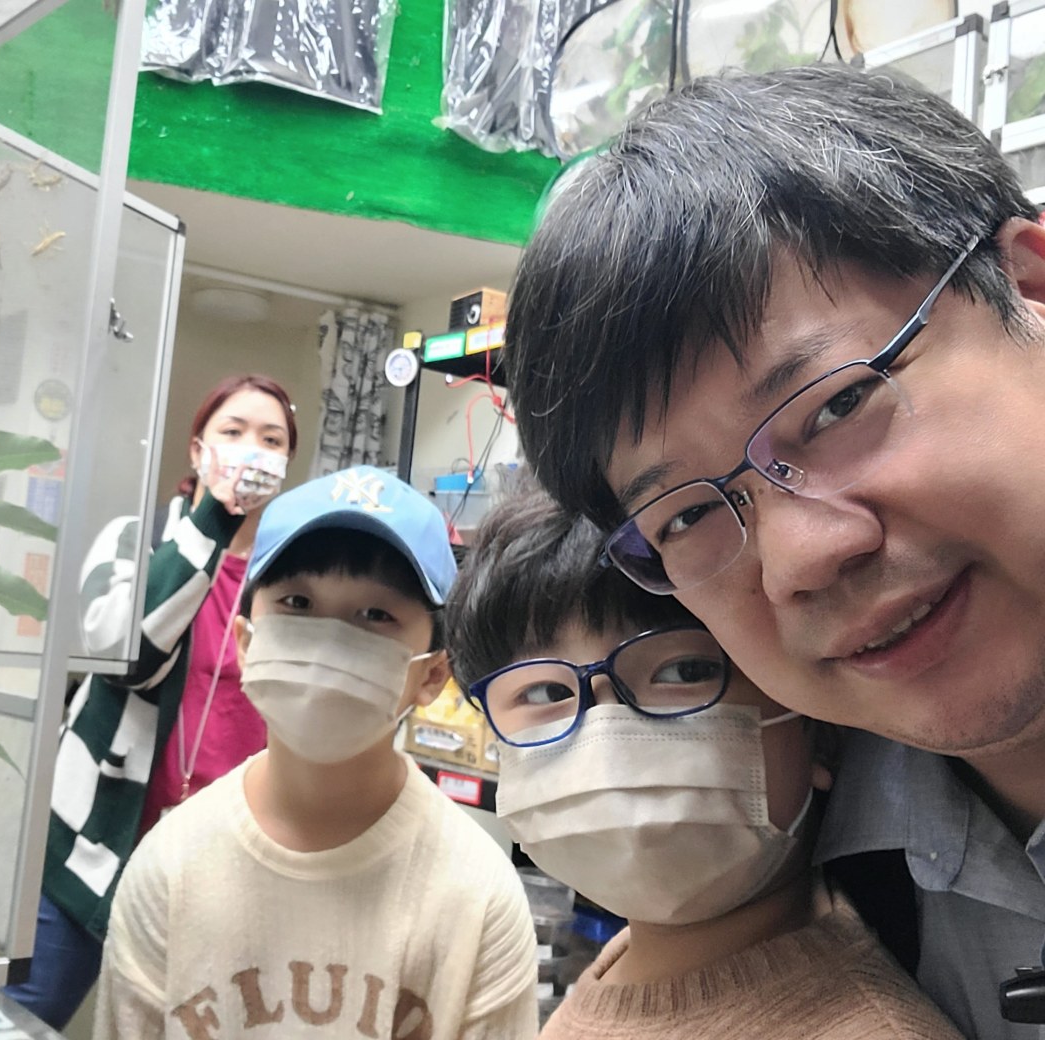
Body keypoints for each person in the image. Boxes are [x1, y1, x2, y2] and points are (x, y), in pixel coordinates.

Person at [502, 62, 1045, 1039]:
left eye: (838, 404)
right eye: (683, 517)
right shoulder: (808, 876)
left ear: (1030, 289)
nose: (798, 559)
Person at [444, 487, 963, 1039]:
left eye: (683, 672)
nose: (605, 739)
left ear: (820, 727)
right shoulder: (627, 966)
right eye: (546, 693)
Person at [94, 465, 538, 1039]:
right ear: (246, 643)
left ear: (433, 674)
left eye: (376, 615)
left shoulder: (477, 897)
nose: (330, 639)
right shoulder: (170, 868)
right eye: (298, 601)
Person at [5, 374, 297, 1028]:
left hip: (222, 865)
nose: (252, 450)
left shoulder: (287, 578)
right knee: (26, 1015)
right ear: (198, 451)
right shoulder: (135, 540)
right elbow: (126, 656)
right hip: (95, 842)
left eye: (271, 440)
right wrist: (213, 518)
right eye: (233, 432)